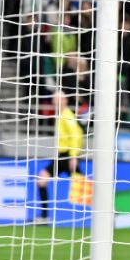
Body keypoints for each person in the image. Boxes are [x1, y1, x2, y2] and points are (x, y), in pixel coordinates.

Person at [36, 91, 84, 221]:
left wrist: (74, 156)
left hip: (67, 155)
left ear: (65, 101)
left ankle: (44, 217)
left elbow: (76, 135)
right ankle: (44, 217)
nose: (55, 101)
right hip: (63, 154)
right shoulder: (61, 114)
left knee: (42, 179)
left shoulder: (67, 115)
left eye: (58, 99)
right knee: (81, 185)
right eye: (54, 99)